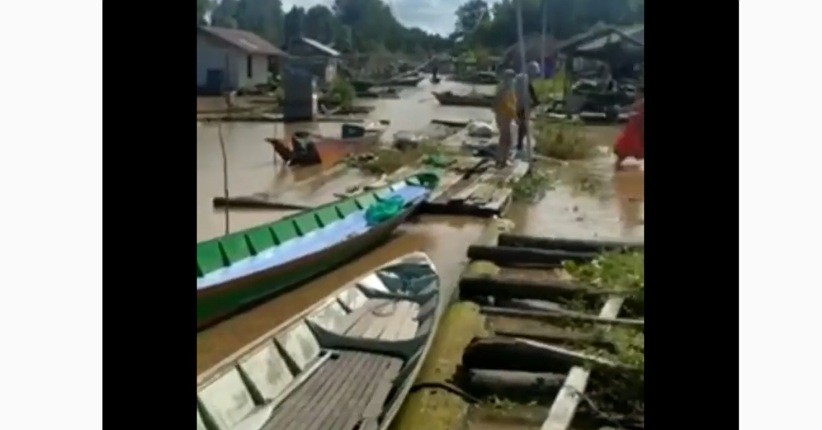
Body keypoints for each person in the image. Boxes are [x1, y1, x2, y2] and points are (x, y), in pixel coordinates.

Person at [614, 86, 644, 171]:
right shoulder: (640, 102)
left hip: (636, 130)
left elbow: (631, 108)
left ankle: (618, 172)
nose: (635, 95)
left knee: (622, 152)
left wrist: (621, 110)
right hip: (636, 130)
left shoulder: (641, 102)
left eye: (637, 92)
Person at [493, 69, 518, 168]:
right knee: (506, 138)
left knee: (506, 139)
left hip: (505, 115)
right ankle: (502, 159)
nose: (512, 80)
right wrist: (515, 116)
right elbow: (507, 105)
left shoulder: (508, 89)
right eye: (511, 78)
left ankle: (503, 158)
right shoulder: (504, 90)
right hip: (504, 116)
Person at [514, 61, 542, 153]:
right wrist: (535, 101)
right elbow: (530, 90)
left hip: (520, 104)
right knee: (523, 125)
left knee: (523, 125)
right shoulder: (524, 78)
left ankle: (520, 143)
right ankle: (519, 144)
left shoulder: (520, 77)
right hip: (521, 105)